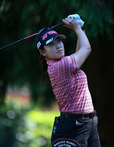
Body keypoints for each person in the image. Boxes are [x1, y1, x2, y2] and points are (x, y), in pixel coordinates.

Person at [36, 14, 101, 147]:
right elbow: (86, 49)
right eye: (51, 45)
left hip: (88, 123)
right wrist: (77, 28)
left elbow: (79, 51)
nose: (58, 46)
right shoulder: (60, 66)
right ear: (43, 52)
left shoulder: (64, 63)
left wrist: (81, 29)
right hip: (73, 126)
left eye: (59, 41)